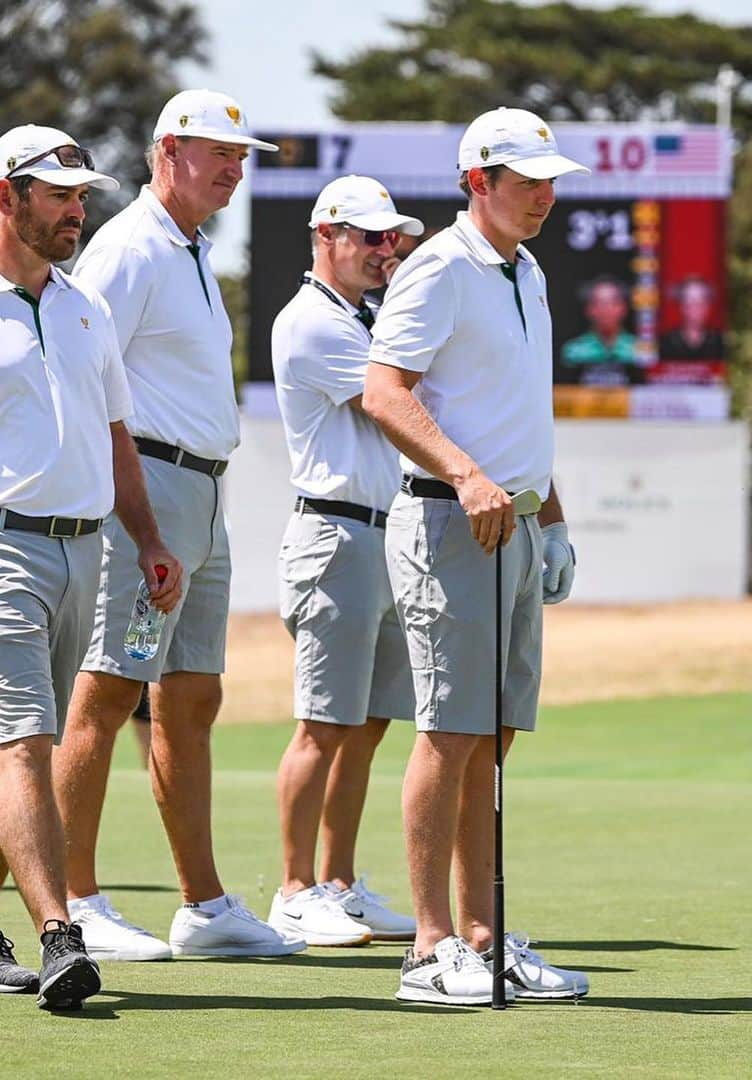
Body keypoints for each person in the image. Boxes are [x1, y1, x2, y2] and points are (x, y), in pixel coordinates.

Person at [50, 90, 303, 961]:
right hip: (143, 494)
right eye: (217, 151)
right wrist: (129, 512)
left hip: (200, 495)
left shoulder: (189, 248)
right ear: (168, 151)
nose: (235, 167)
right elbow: (76, 367)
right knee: (109, 688)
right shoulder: (128, 247)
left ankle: (202, 906)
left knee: (191, 698)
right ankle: (74, 904)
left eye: (242, 154)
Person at [364, 106, 590, 1005]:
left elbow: (518, 416)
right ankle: (428, 949)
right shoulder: (439, 269)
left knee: (489, 738)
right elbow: (384, 392)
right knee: (449, 732)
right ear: (477, 184)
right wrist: (465, 475)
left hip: (518, 526)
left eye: (550, 181)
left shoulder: (526, 271)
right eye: (526, 181)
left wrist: (555, 515)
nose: (543, 196)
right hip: (449, 525)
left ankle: (484, 937)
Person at [0, 124, 182, 1006]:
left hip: (83, 551)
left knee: (18, 748)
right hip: (4, 551)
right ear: (8, 197)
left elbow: (118, 441)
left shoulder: (83, 306)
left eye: (82, 198)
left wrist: (147, 539)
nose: (78, 212)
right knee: (27, 743)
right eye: (59, 196)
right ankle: (60, 932)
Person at [266, 175, 423, 946]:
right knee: (322, 726)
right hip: (335, 536)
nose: (384, 251)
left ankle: (339, 883)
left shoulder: (360, 316)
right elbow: (399, 398)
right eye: (368, 237)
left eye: (391, 239)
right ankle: (294, 891)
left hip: (379, 536)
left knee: (366, 723)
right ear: (325, 235)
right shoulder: (315, 323)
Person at [557, 276, 643, 386]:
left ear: (623, 308)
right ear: (589, 309)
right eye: (598, 303)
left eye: (613, 303)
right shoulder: (573, 350)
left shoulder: (640, 350)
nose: (605, 309)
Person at [658, 276, 727, 376]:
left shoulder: (720, 342)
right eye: (690, 302)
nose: (696, 308)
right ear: (682, 307)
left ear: (708, 307)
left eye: (702, 301)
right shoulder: (664, 344)